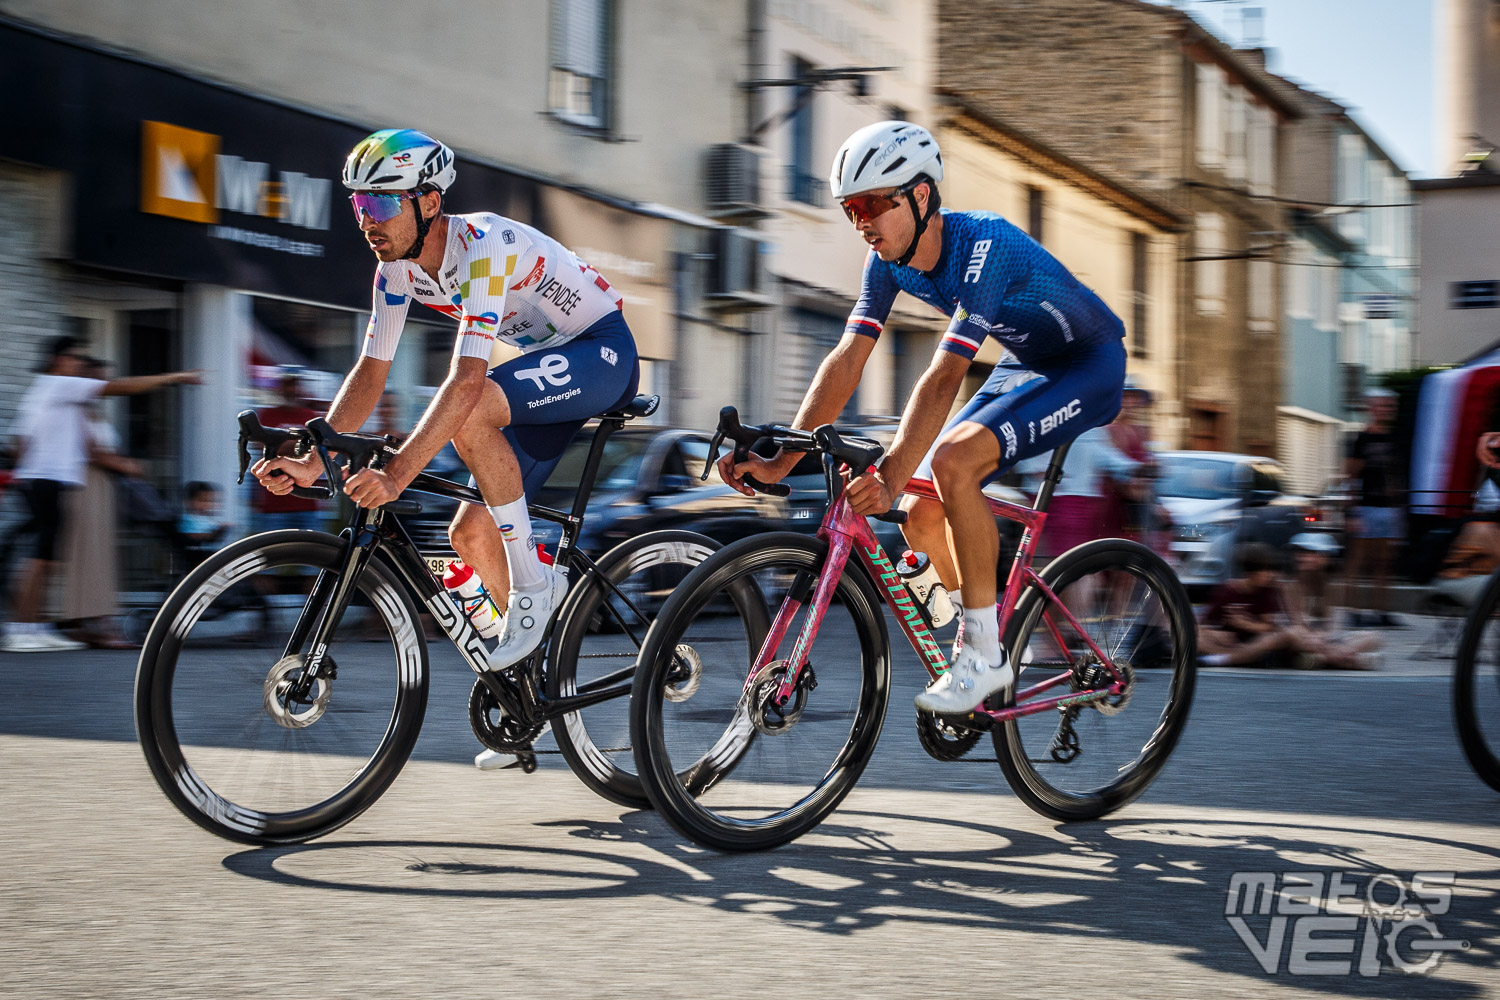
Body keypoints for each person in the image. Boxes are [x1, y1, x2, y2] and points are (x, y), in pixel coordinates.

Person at [719, 121, 1128, 714]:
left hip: (1088, 362)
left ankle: (984, 655)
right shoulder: (885, 262)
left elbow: (943, 377)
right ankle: (976, 626)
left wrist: (887, 473)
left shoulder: (985, 245)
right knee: (921, 509)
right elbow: (848, 357)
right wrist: (787, 456)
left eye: (870, 204)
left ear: (920, 196)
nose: (860, 222)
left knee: (952, 460)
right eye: (849, 208)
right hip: (1028, 360)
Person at [251, 128, 639, 684]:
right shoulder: (395, 270)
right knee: (470, 536)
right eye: (359, 203)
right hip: (545, 368)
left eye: (382, 202)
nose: (367, 220)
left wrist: (398, 474)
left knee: (473, 406)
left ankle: (535, 585)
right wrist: (316, 458)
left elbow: (465, 382)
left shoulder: (483, 246)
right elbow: (371, 371)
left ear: (429, 202)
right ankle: (536, 690)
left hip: (600, 351)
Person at [4, 336, 200, 652]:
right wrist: (175, 377)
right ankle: (20, 629)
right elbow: (120, 387)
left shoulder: (45, 391)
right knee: (40, 559)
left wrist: (26, 472)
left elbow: (18, 442)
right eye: (75, 357)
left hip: (44, 480)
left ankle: (32, 627)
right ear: (58, 359)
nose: (81, 363)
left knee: (46, 559)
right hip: (45, 480)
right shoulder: (60, 384)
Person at [1343, 388, 1405, 627]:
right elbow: (1350, 476)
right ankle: (1353, 612)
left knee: (1384, 564)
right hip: (1366, 507)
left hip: (1389, 508)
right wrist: (1351, 512)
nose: (1386, 410)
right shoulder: (1361, 439)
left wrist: (1400, 509)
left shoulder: (1395, 438)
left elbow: (1397, 476)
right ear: (1370, 409)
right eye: (1381, 405)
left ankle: (1382, 612)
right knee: (1357, 563)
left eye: (1390, 406)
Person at [1282, 533, 1381, 670]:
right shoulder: (1291, 587)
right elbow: (1296, 624)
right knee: (1299, 639)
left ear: (1324, 558)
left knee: (1374, 637)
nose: (1300, 557)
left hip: (1325, 640)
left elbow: (1334, 625)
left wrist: (1324, 637)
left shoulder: (1333, 587)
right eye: (1299, 552)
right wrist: (1318, 638)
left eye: (1308, 553)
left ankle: (1321, 659)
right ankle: (1351, 660)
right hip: (1304, 639)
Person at [251, 367, 322, 534]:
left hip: (307, 501)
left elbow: (319, 449)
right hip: (273, 503)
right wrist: (300, 445)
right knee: (272, 556)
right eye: (287, 385)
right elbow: (263, 447)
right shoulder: (267, 415)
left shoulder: (310, 415)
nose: (291, 390)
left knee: (313, 555)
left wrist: (282, 446)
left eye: (294, 385)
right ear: (280, 387)